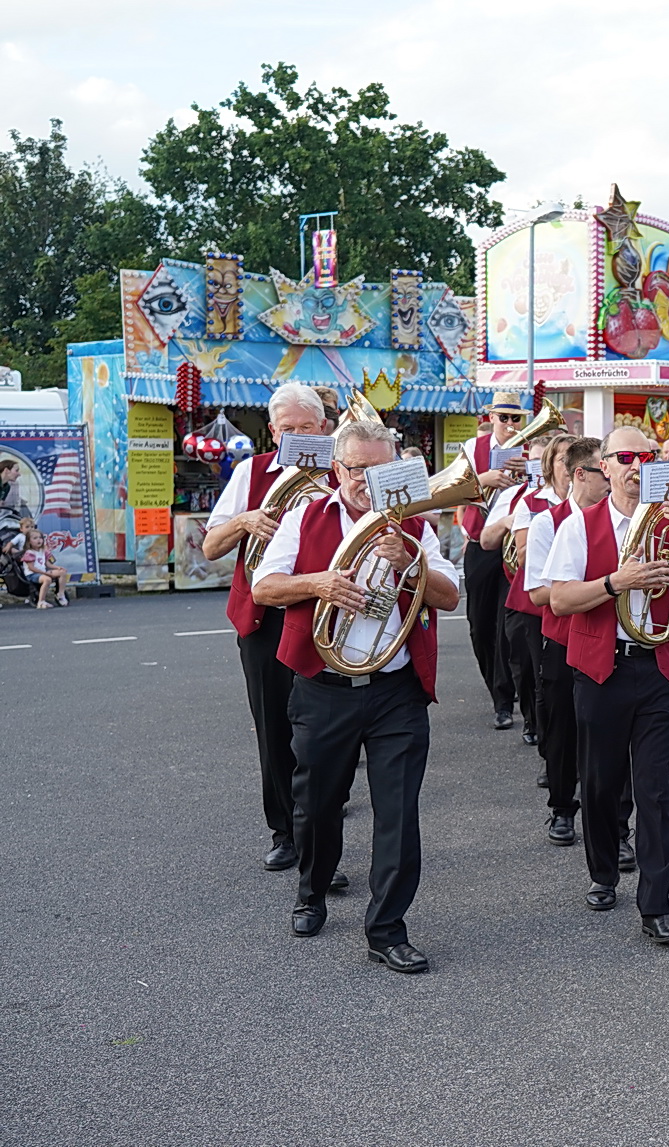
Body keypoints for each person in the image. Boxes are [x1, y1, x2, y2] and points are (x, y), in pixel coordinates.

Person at [253, 419, 461, 973]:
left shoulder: (415, 526)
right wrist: (319, 582)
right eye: (360, 469)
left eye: (382, 468)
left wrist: (410, 563)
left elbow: (449, 597)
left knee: (398, 812)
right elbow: (264, 588)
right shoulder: (306, 516)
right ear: (339, 469)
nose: (371, 480)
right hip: (325, 688)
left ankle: (387, 928)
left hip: (396, 689)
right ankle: (312, 888)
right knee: (318, 805)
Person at [546, 428, 669, 946]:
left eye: (645, 457)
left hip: (661, 668)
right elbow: (559, 600)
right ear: (604, 466)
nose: (635, 465)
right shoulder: (580, 525)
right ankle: (604, 871)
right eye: (624, 457)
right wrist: (615, 583)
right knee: (600, 783)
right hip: (603, 666)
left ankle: (657, 904)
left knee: (653, 787)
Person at [202, 382, 331, 872]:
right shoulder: (251, 472)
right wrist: (245, 521)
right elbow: (212, 547)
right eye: (287, 429)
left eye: (306, 428)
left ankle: (319, 831)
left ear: (322, 428)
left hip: (323, 610)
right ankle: (287, 831)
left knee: (321, 730)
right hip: (264, 616)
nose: (297, 436)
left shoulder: (341, 473)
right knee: (273, 725)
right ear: (273, 431)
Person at [524, 435, 631, 855]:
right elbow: (538, 593)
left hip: (611, 642)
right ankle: (563, 807)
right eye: (601, 473)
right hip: (562, 640)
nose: (611, 482)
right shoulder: (548, 522)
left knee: (613, 744)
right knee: (563, 731)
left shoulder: (626, 519)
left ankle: (618, 830)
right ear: (580, 474)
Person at [460, 391, 531, 731]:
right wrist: (482, 481)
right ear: (490, 419)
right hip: (481, 545)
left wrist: (528, 474)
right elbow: (450, 489)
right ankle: (497, 689)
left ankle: (506, 699)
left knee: (509, 626)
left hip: (516, 544)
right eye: (503, 417)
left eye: (515, 418)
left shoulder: (531, 451)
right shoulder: (472, 450)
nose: (509, 424)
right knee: (479, 626)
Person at [483, 433, 557, 751]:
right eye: (535, 462)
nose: (539, 469)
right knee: (524, 666)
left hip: (560, 591)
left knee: (553, 672)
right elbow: (486, 540)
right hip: (522, 593)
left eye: (546, 462)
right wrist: (511, 521)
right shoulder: (515, 495)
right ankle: (530, 717)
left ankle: (552, 737)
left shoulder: (574, 498)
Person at [21, 529, 68, 608]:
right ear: (29, 542)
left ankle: (60, 594)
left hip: (42, 572)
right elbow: (31, 568)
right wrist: (45, 573)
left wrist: (57, 567)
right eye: (35, 538)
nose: (39, 540)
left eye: (40, 538)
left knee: (62, 572)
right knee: (47, 579)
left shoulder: (43, 551)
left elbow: (47, 564)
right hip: (32, 574)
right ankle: (41, 601)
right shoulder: (29, 553)